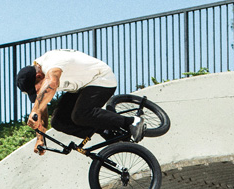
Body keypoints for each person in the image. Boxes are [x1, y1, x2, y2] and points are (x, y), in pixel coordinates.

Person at [16, 49, 144, 154]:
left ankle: (132, 122)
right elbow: (42, 108)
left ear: (39, 76)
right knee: (58, 121)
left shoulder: (52, 63)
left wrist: (34, 110)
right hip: (81, 87)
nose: (38, 94)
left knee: (80, 114)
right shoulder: (41, 75)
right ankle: (106, 130)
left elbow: (52, 83)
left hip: (101, 79)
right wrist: (40, 139)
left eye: (37, 91)